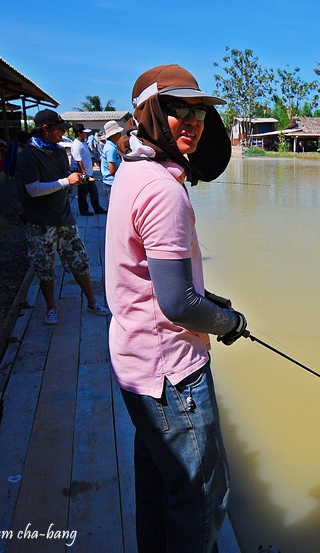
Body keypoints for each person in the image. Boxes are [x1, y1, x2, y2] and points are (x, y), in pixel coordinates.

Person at [105, 64, 247, 551]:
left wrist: (207, 302)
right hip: (173, 377)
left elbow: (153, 281)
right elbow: (177, 303)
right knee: (202, 496)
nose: (192, 121)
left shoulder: (133, 170)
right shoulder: (165, 191)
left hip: (135, 363)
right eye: (176, 109)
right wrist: (230, 322)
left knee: (160, 485)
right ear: (148, 114)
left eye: (199, 111)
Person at [16, 109, 110, 325]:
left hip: (64, 217)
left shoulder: (58, 152)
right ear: (46, 130)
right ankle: (51, 307)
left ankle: (92, 302)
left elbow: (64, 177)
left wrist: (79, 179)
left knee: (80, 261)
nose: (62, 134)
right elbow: (33, 189)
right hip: (40, 221)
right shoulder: (28, 155)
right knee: (44, 266)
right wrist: (67, 182)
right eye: (59, 130)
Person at [70, 123, 105, 216]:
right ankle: (84, 211)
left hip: (89, 172)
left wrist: (94, 160)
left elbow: (86, 155)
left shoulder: (83, 143)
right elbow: (78, 160)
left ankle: (97, 208)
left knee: (93, 191)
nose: (86, 134)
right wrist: (83, 173)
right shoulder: (76, 145)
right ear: (79, 133)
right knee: (83, 193)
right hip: (83, 173)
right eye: (84, 133)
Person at [99, 119, 125, 196]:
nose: (120, 134)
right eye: (118, 133)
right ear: (114, 134)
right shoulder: (111, 149)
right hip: (111, 182)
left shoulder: (110, 146)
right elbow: (112, 169)